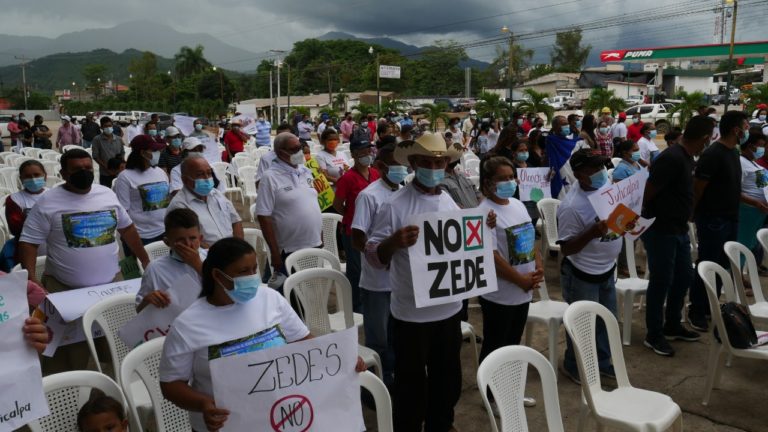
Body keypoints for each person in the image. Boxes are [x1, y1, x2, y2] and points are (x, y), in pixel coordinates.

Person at [159, 238, 364, 432]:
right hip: (225, 425)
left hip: (280, 415)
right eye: (243, 272)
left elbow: (304, 343)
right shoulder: (188, 325)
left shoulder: (270, 299)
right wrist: (203, 404)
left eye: (254, 269)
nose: (252, 277)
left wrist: (341, 359)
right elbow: (171, 385)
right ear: (218, 275)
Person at [366, 132, 489, 431]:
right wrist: (394, 242)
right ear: (413, 163)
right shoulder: (395, 205)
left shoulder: (447, 198)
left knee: (447, 378)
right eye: (426, 162)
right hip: (411, 314)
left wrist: (483, 226)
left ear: (447, 163)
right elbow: (374, 255)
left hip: (448, 309)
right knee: (410, 382)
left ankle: (441, 423)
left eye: (439, 162)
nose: (433, 168)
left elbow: (463, 237)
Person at [18, 149, 149, 373]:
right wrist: (31, 277)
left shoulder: (106, 194)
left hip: (110, 286)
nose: (84, 173)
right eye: (77, 169)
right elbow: (28, 242)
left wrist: (145, 260)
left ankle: (113, 393)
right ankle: (72, 399)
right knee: (69, 357)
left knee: (116, 347)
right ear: (63, 173)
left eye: (88, 168)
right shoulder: (47, 202)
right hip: (66, 291)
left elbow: (127, 228)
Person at [641, 115, 713, 356]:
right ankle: (654, 334)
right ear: (704, 138)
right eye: (709, 138)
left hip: (679, 229)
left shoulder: (686, 157)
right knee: (661, 281)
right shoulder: (671, 157)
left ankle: (672, 323)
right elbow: (648, 191)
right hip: (661, 230)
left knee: (684, 276)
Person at [477, 156, 543, 407]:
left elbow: (529, 235)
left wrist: (537, 267)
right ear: (488, 183)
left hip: (524, 289)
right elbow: (490, 256)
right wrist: (519, 279)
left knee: (513, 343)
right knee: (496, 346)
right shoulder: (485, 213)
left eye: (511, 177)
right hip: (499, 293)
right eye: (502, 178)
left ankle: (510, 390)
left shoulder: (516, 204)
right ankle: (490, 396)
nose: (509, 182)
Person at [557, 149, 622, 383]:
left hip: (606, 268)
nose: (600, 172)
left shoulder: (606, 188)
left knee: (606, 320)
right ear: (579, 174)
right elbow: (567, 248)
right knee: (583, 323)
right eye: (594, 169)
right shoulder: (571, 206)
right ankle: (573, 365)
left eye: (602, 166)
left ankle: (602, 363)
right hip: (582, 273)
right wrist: (593, 231)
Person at [689, 111, 748, 332]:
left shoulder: (734, 152)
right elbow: (698, 187)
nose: (747, 129)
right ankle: (697, 308)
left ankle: (709, 306)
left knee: (723, 266)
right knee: (707, 265)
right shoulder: (714, 154)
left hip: (730, 218)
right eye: (746, 125)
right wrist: (692, 213)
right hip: (713, 219)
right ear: (736, 129)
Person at [351, 143, 404, 387]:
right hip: (377, 281)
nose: (402, 169)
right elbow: (358, 238)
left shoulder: (404, 192)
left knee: (397, 334)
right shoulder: (369, 196)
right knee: (379, 338)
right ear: (381, 166)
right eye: (397, 164)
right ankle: (375, 386)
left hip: (401, 280)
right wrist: (380, 255)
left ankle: (394, 378)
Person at [255, 132, 322, 277]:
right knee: (290, 293)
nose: (299, 152)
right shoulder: (269, 177)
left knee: (311, 291)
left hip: (314, 243)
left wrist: (320, 235)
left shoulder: (306, 172)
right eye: (294, 149)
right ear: (280, 152)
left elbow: (314, 204)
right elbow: (263, 217)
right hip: (289, 248)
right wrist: (274, 252)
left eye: (300, 147)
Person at [333, 136, 379, 313]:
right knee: (355, 269)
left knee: (371, 266)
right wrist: (351, 215)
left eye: (369, 150)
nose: (367, 154)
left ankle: (369, 299)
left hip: (373, 228)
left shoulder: (375, 173)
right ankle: (356, 305)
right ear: (353, 154)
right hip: (352, 229)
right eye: (362, 151)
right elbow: (338, 204)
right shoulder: (348, 178)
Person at [136, 208, 205, 312]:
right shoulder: (155, 269)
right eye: (180, 240)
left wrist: (198, 265)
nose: (188, 244)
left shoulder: (212, 258)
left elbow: (226, 293)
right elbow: (139, 310)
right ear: (167, 242)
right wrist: (147, 301)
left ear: (200, 239)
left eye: (192, 238)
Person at [167, 155, 243, 247]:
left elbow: (236, 221)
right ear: (185, 180)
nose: (207, 178)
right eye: (200, 174)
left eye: (209, 173)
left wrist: (239, 248)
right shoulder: (179, 206)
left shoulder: (216, 194)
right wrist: (220, 256)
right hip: (208, 257)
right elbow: (189, 242)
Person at [114, 135, 170, 246]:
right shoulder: (125, 177)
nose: (157, 153)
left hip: (164, 231)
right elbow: (123, 211)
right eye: (154, 150)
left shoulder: (160, 172)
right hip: (140, 235)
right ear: (142, 152)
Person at [4, 160, 48, 270]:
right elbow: (17, 229)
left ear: (45, 176)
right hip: (28, 251)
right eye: (27, 176)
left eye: (37, 175)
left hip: (54, 249)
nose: (33, 179)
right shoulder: (15, 199)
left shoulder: (54, 194)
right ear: (21, 179)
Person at [736, 132, 768, 259]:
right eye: (761, 146)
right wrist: (756, 202)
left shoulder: (755, 164)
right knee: (742, 244)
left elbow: (763, 187)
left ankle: (741, 272)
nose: (763, 149)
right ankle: (736, 275)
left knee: (749, 244)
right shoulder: (741, 162)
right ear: (750, 146)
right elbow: (735, 190)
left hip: (759, 212)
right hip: (748, 210)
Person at [546, 115, 582, 199]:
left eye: (567, 123)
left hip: (572, 174)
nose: (567, 126)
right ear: (555, 127)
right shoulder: (551, 141)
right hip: (561, 174)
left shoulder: (572, 141)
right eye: (563, 124)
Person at [91, 116, 125, 187]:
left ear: (112, 126)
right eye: (105, 126)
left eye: (110, 125)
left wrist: (121, 167)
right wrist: (107, 168)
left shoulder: (118, 139)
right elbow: (95, 156)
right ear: (101, 127)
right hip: (105, 173)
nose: (108, 128)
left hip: (118, 172)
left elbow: (122, 153)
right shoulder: (97, 140)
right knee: (107, 192)